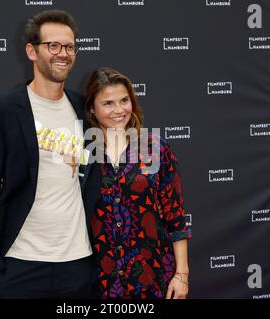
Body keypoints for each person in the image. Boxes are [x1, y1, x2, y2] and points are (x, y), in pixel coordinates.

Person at [0, 9, 96, 298]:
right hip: (21, 265)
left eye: (69, 46)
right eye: (53, 45)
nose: (62, 54)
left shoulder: (86, 111)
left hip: (79, 264)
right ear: (31, 51)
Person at [83, 67, 191, 299]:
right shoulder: (83, 153)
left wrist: (181, 275)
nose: (119, 110)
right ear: (92, 108)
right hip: (101, 280)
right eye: (108, 103)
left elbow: (176, 217)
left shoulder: (155, 148)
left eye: (124, 100)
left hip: (154, 276)